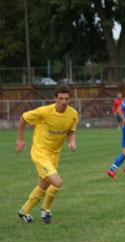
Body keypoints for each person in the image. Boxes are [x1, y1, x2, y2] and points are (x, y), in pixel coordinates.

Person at [16, 84, 78, 224]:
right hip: (40, 151)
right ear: (55, 98)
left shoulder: (73, 114)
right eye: (61, 98)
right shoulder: (44, 111)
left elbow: (71, 132)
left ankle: (24, 210)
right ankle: (46, 209)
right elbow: (23, 118)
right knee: (57, 182)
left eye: (67, 99)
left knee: (44, 184)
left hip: (55, 153)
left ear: (70, 99)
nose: (64, 101)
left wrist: (72, 142)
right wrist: (20, 139)